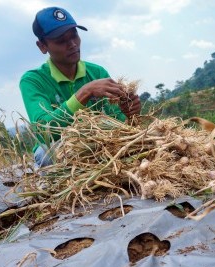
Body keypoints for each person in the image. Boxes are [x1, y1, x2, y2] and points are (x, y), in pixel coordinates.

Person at [20, 7, 141, 168]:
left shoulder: (97, 72)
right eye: (61, 41)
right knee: (45, 155)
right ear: (42, 46)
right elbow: (44, 131)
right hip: (65, 152)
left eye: (74, 36)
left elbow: (119, 124)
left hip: (100, 145)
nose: (72, 44)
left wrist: (130, 114)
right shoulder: (33, 80)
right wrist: (85, 92)